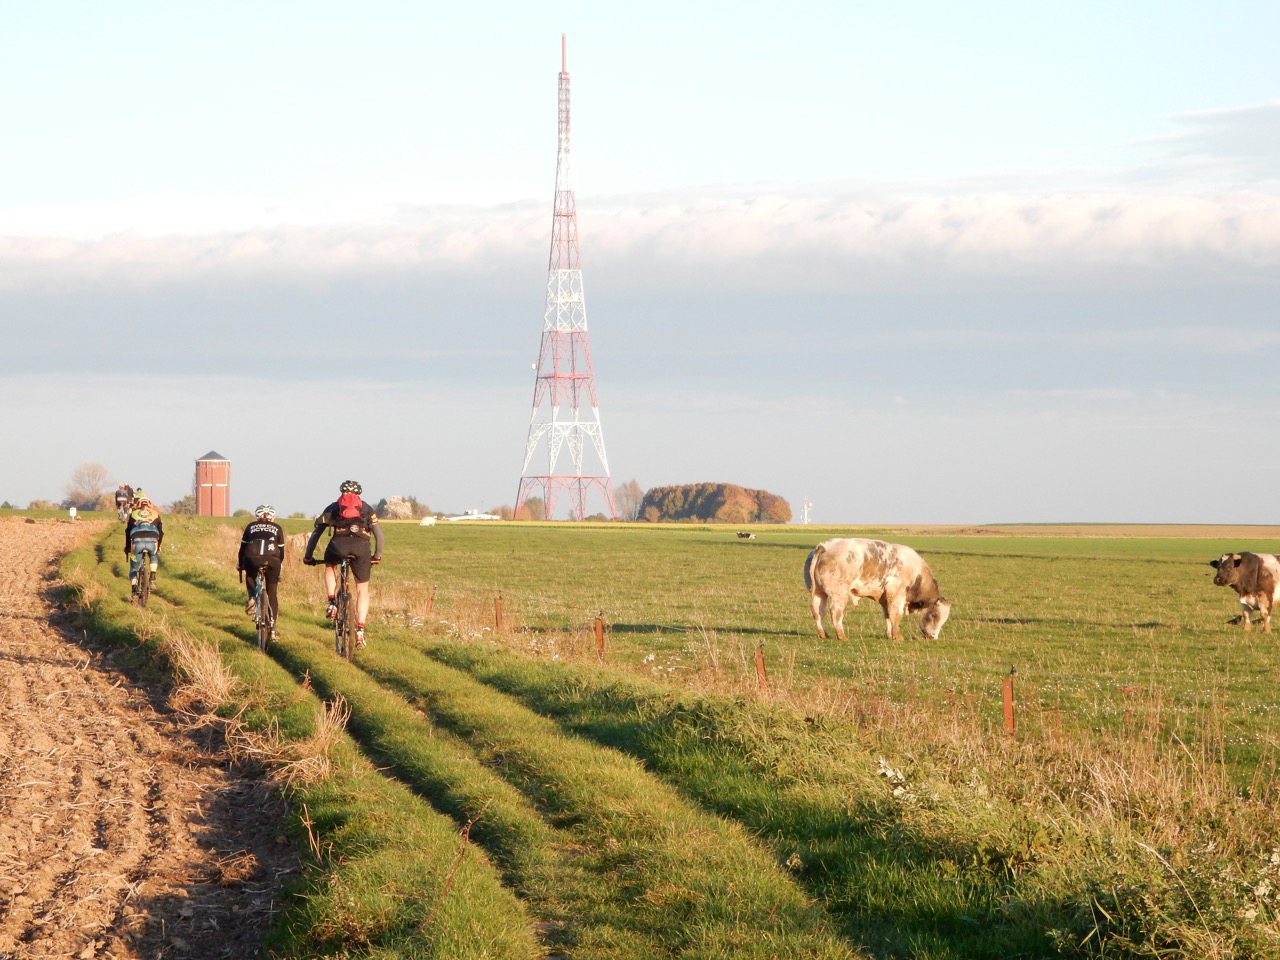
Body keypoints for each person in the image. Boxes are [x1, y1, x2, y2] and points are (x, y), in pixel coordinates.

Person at [303, 480, 383, 649]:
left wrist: (308, 556)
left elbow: (316, 534)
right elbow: (380, 537)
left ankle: (332, 602)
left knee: (330, 566)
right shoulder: (367, 508)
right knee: (362, 589)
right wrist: (377, 556)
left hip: (338, 546)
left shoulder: (333, 507)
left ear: (341, 492)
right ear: (359, 494)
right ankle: (360, 629)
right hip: (361, 548)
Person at [238, 504, 286, 639]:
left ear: (257, 516)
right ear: (273, 517)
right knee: (272, 593)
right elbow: (281, 552)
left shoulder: (250, 526)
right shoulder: (277, 528)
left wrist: (241, 564)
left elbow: (242, 549)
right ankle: (273, 627)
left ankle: (252, 597)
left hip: (251, 557)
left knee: (250, 574)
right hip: (272, 560)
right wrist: (279, 564)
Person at [123, 495, 164, 594]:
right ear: (150, 505)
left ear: (138, 505)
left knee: (134, 567)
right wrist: (158, 546)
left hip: (137, 542)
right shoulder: (155, 514)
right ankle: (153, 576)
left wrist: (128, 547)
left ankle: (134, 590)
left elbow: (128, 532)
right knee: (154, 555)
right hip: (152, 540)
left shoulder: (133, 514)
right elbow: (161, 532)